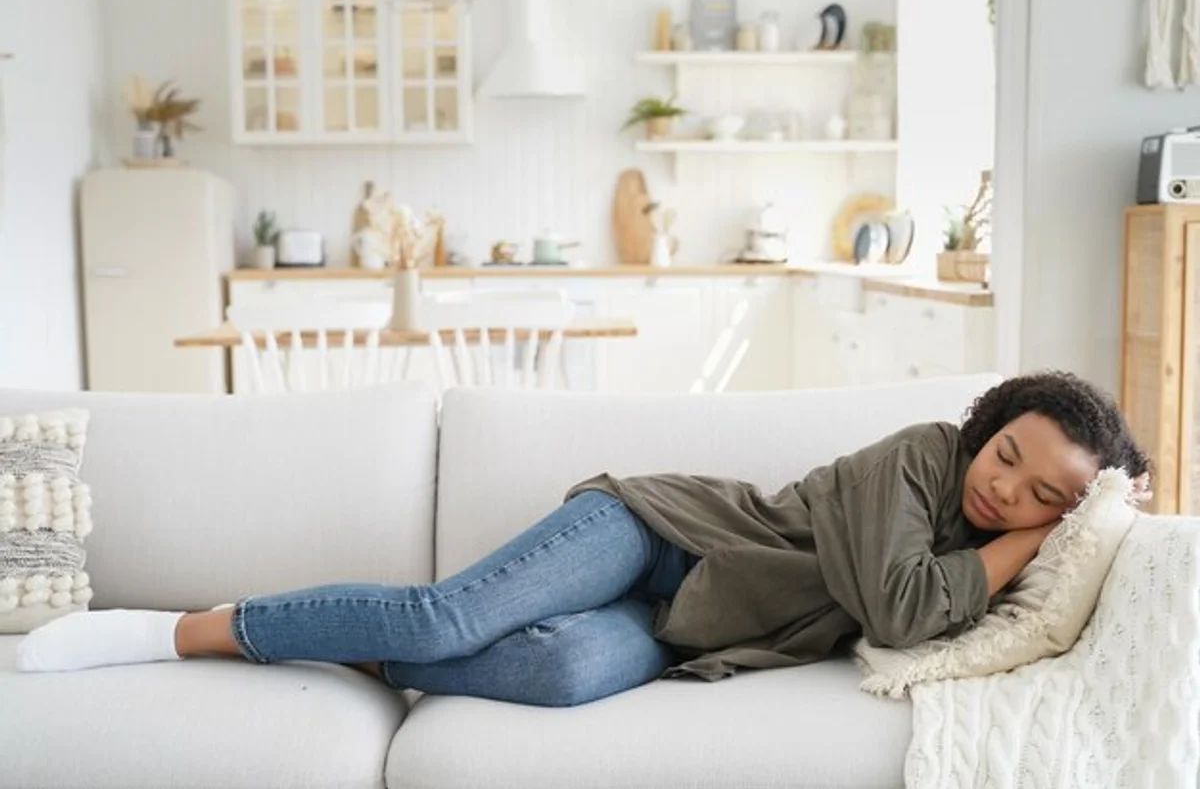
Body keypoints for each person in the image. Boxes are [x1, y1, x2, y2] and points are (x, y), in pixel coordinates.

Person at [16, 371, 1150, 707]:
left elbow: (923, 614)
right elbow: (903, 609)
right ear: (985, 427)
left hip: (680, 623)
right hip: (653, 533)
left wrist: (1060, 528)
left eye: (1043, 496)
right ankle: (182, 629)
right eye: (1007, 453)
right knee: (448, 616)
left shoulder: (994, 536)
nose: (1005, 487)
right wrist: (1026, 540)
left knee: (561, 675)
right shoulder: (917, 457)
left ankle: (359, 650)